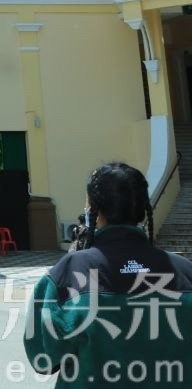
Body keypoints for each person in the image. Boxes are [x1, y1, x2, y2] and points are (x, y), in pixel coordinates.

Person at [24, 161, 192, 385]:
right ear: (143, 210)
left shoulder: (68, 273)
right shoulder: (185, 271)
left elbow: (43, 359)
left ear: (95, 211)